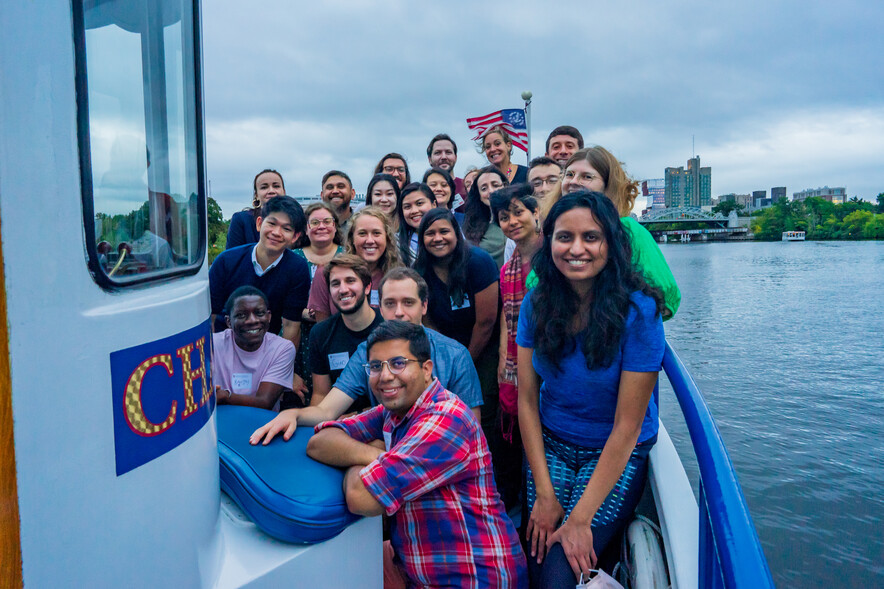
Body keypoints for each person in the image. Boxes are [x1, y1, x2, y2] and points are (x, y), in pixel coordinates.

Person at [306, 321, 527, 588]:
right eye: (375, 366)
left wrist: (364, 457)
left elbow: (359, 496)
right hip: (417, 568)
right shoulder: (394, 410)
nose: (385, 375)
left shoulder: (446, 420)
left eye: (398, 363)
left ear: (426, 370)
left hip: (473, 576)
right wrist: (378, 455)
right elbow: (319, 441)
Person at [517, 192, 665, 587]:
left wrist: (580, 519)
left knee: (560, 573)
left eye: (591, 237)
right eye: (565, 237)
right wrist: (546, 497)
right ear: (549, 243)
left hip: (613, 450)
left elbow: (628, 426)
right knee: (536, 555)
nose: (577, 249)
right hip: (553, 441)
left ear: (610, 244)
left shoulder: (639, 312)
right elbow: (527, 402)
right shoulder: (537, 304)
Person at [250, 267, 483, 444]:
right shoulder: (366, 351)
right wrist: (293, 415)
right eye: (390, 303)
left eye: (408, 303)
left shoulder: (454, 355)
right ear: (379, 308)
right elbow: (327, 410)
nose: (399, 312)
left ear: (424, 306)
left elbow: (471, 430)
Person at [542, 146, 681, 319]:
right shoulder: (554, 229)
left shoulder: (628, 229)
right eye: (569, 174)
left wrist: (617, 324)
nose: (573, 181)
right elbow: (536, 285)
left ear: (608, 186)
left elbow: (665, 299)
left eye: (586, 176)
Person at [489, 185, 543, 508]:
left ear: (536, 213)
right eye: (504, 217)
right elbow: (507, 317)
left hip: (545, 361)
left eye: (518, 212)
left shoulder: (552, 256)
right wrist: (502, 358)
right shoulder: (507, 268)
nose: (512, 222)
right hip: (515, 360)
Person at [210, 195, 310, 350]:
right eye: (272, 223)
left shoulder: (297, 268)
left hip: (266, 348)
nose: (276, 232)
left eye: (286, 228)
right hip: (224, 345)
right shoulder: (226, 261)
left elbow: (291, 325)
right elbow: (210, 316)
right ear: (259, 223)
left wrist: (281, 364)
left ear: (295, 236)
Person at [287, 202, 345, 407]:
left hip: (337, 333)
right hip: (300, 334)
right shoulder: (293, 258)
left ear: (335, 226)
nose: (321, 226)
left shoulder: (347, 256)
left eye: (327, 221)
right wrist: (300, 312)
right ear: (306, 228)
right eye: (315, 222)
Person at [308, 255, 383, 411]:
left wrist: (357, 415)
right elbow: (320, 395)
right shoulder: (320, 333)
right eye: (335, 284)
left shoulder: (388, 326)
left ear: (367, 287)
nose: (343, 289)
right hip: (337, 421)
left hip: (384, 417)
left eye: (350, 281)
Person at [307, 207, 402, 322]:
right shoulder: (326, 273)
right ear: (352, 239)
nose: (370, 240)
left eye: (376, 233)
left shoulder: (398, 276)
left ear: (387, 239)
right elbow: (323, 330)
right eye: (362, 234)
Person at [213, 286, 295, 411]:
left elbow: (264, 402)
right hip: (220, 421)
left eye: (259, 313)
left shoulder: (283, 348)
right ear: (229, 322)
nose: (252, 320)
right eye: (241, 315)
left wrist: (225, 396)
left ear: (269, 316)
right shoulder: (212, 344)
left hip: (263, 424)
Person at [226, 169, 285, 249]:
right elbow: (232, 256)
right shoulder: (241, 220)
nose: (271, 191)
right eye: (264, 187)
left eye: (276, 186)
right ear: (256, 195)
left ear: (284, 192)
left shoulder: (295, 219)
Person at [463, 165, 509, 268]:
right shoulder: (472, 225)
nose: (491, 191)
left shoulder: (520, 217)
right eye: (484, 188)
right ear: (479, 195)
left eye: (495, 185)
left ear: (505, 186)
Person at [395, 183, 436, 266]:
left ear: (434, 205)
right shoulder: (395, 243)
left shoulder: (450, 234)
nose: (414, 211)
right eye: (407, 207)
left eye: (419, 203)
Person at [426, 133, 467, 198]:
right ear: (430, 159)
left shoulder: (467, 187)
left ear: (455, 157)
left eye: (448, 152)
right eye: (438, 153)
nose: (444, 157)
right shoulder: (423, 191)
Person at [320, 170, 356, 234]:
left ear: (352, 194)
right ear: (322, 195)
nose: (335, 191)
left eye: (341, 186)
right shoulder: (313, 228)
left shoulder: (361, 224)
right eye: (330, 187)